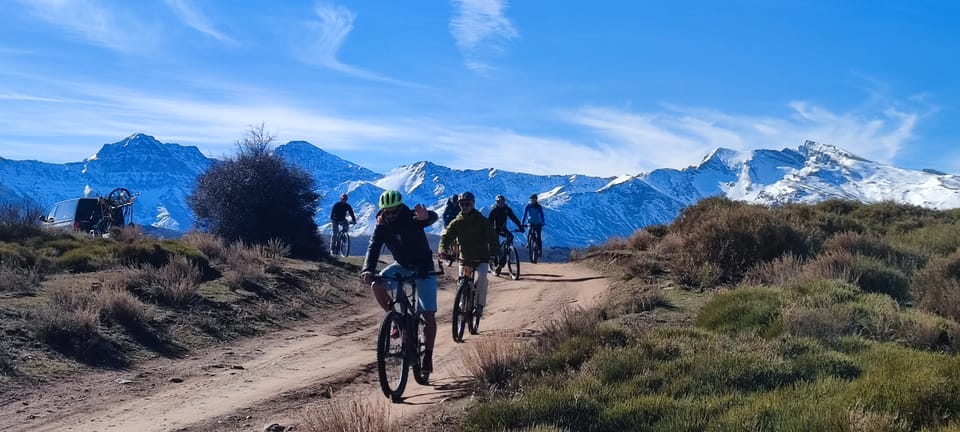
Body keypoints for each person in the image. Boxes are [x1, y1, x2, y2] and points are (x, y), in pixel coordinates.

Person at [360, 190, 440, 376]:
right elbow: (373, 248)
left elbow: (429, 219)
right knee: (377, 284)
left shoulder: (412, 217)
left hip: (423, 267)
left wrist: (428, 216)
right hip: (401, 266)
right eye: (387, 211)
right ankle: (395, 318)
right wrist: (367, 269)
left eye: (394, 210)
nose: (391, 214)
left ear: (400, 207)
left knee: (428, 314)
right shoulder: (382, 225)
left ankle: (427, 356)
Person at [438, 191, 499, 317]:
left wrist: (493, 254)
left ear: (473, 204)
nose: (465, 206)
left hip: (481, 258)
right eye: (462, 204)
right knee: (461, 282)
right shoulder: (456, 222)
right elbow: (446, 237)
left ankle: (479, 305)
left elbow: (493, 238)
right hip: (465, 259)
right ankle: (461, 303)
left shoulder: (481, 220)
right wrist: (442, 249)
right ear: (459, 205)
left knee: (482, 278)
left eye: (468, 204)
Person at [487, 195, 524, 272]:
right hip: (495, 229)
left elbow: (514, 218)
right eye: (498, 202)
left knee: (510, 237)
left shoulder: (506, 209)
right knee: (495, 244)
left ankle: (503, 258)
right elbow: (489, 221)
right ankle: (494, 258)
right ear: (496, 202)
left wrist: (520, 227)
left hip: (503, 228)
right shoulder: (494, 210)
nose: (500, 203)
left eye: (502, 202)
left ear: (504, 202)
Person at [522, 194, 546, 260]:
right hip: (530, 222)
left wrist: (543, 222)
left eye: (534, 199)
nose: (533, 200)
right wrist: (522, 222)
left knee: (538, 237)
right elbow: (525, 214)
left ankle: (540, 250)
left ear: (536, 199)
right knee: (529, 233)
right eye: (532, 199)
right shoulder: (528, 206)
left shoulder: (539, 207)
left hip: (538, 222)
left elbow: (541, 214)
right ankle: (528, 243)